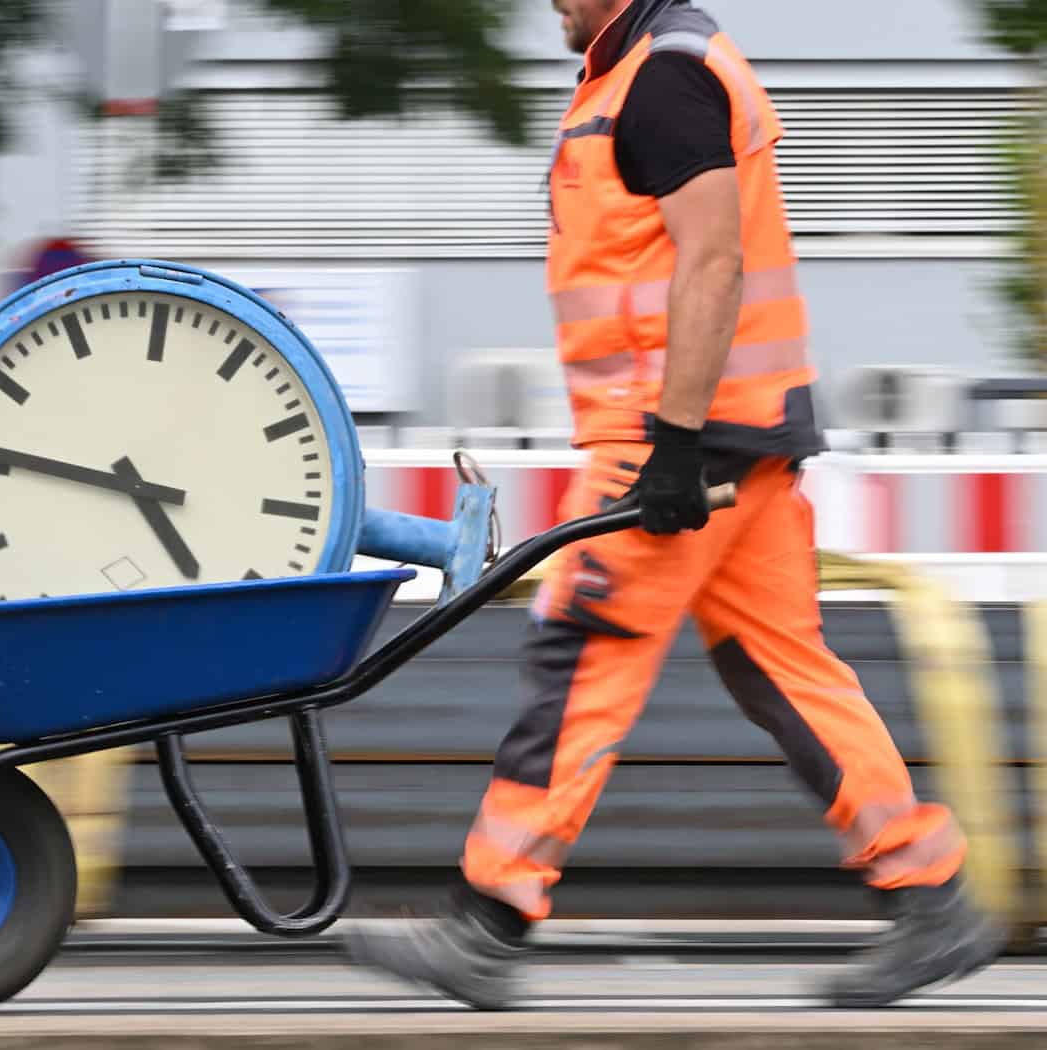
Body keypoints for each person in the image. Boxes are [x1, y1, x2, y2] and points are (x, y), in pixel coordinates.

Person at [345, 0, 1007, 1011]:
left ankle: (488, 918)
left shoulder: (664, 76)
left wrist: (675, 441)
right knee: (784, 671)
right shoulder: (636, 70)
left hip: (674, 440)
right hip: (738, 438)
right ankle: (931, 896)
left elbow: (711, 259)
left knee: (582, 650)